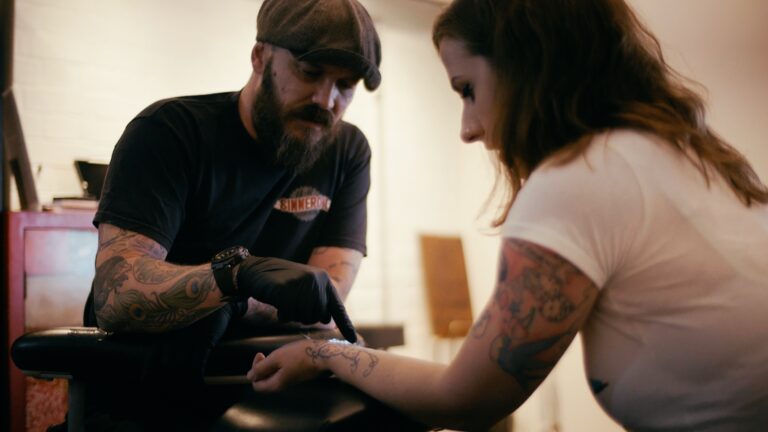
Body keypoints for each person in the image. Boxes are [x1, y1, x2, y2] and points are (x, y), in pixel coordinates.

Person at [246, 0, 768, 430]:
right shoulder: (687, 154)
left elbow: (466, 400)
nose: (467, 129)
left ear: (527, 69)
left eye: (468, 90)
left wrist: (325, 353)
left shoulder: (580, 178)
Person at [77, 0, 381, 430]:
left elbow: (326, 300)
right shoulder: (169, 132)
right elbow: (115, 294)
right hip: (151, 386)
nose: (325, 100)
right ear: (260, 57)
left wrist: (235, 304)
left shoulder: (345, 151)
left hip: (269, 383)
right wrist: (232, 277)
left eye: (345, 85)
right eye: (310, 73)